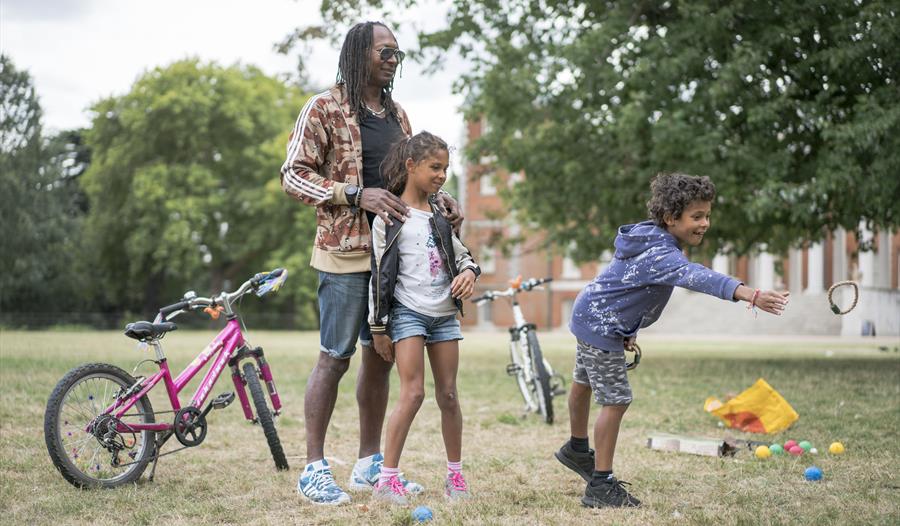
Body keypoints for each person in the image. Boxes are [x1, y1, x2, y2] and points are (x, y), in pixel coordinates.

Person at [281, 22, 463, 505]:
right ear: (359, 53)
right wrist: (355, 194)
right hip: (344, 255)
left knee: (379, 359)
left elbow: (412, 180)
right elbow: (292, 177)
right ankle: (314, 468)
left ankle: (368, 465)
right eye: (385, 51)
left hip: (393, 259)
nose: (392, 59)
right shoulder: (323, 108)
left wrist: (442, 200)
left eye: (397, 53)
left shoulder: (399, 116)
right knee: (334, 358)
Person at [555, 172, 790, 508]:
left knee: (584, 381)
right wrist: (750, 294)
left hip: (593, 314)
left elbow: (627, 287)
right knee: (617, 399)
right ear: (670, 218)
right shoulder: (662, 255)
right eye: (697, 216)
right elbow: (699, 276)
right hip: (602, 324)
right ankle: (600, 486)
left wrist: (630, 327)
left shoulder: (649, 237)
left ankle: (577, 448)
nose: (705, 223)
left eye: (707, 215)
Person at [367, 132, 480, 505]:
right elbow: (379, 275)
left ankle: (456, 477)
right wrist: (379, 327)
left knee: (448, 395)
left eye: (446, 168)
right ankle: (387, 479)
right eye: (435, 167)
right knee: (412, 393)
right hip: (408, 313)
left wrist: (469, 273)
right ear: (411, 166)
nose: (442, 175)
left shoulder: (442, 214)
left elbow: (463, 255)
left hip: (444, 315)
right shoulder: (389, 218)